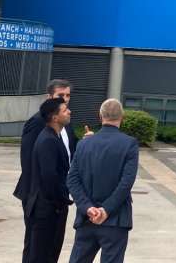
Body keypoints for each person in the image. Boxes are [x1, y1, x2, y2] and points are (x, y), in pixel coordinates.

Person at [15, 80, 92, 262]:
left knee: (52, 247)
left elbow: (68, 152)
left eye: (68, 96)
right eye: (61, 96)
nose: (65, 100)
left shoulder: (65, 124)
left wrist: (86, 143)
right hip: (40, 196)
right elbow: (29, 161)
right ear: (49, 97)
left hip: (58, 195)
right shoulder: (38, 123)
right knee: (36, 249)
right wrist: (41, 195)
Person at [67, 99, 139, 263]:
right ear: (122, 117)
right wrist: (106, 210)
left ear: (100, 117)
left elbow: (72, 179)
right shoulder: (129, 144)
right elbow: (126, 183)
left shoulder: (84, 144)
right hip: (116, 219)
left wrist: (88, 207)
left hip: (87, 218)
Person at [26, 97, 74, 263]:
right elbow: (49, 177)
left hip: (51, 208)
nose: (69, 111)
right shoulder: (48, 140)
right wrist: (62, 200)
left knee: (49, 255)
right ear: (54, 117)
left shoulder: (54, 137)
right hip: (47, 210)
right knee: (43, 256)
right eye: (64, 110)